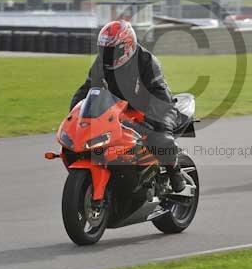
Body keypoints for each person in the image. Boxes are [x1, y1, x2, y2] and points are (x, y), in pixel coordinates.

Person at [70, 20, 185, 192]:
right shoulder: (102, 62)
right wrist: (75, 113)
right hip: (120, 108)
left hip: (152, 107)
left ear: (127, 46)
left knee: (158, 137)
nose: (106, 55)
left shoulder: (146, 61)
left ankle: (175, 173)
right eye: (104, 50)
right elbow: (88, 88)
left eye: (111, 50)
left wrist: (155, 121)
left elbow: (160, 93)